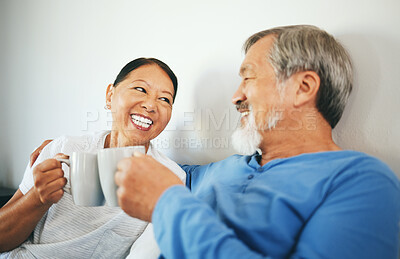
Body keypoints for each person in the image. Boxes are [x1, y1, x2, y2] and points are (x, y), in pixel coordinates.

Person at [112, 25, 400, 258]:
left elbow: (164, 193)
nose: (236, 97)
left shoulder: (362, 182)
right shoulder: (215, 172)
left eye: (248, 77)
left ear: (303, 88)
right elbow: (150, 170)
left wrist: (168, 205)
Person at [0, 58, 185, 258]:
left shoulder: (170, 179)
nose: (150, 105)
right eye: (140, 89)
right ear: (110, 96)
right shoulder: (63, 149)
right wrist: (37, 198)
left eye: (165, 99)